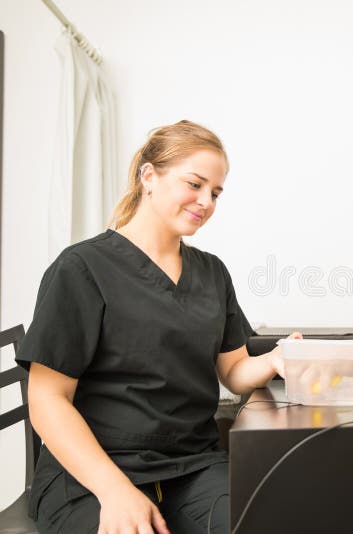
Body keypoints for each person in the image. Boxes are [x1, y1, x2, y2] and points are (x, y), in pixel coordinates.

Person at [16, 120, 291, 534]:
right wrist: (114, 491)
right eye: (195, 184)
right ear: (149, 176)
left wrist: (276, 359)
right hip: (92, 474)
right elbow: (47, 400)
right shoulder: (81, 269)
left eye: (215, 192)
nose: (206, 201)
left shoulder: (212, 273)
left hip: (192, 467)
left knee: (266, 520)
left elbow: (233, 372)